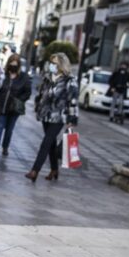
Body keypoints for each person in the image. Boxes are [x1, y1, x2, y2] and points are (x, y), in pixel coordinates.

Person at [26, 53, 79, 182]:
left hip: (59, 116)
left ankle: (35, 170)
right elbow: (41, 94)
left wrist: (72, 120)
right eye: (51, 63)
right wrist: (38, 107)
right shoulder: (48, 77)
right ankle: (54, 169)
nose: (52, 65)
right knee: (51, 143)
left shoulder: (69, 80)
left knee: (46, 142)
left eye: (54, 63)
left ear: (61, 65)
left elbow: (72, 100)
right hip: (46, 115)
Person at [0, 53, 32, 158]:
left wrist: (18, 100)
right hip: (2, 107)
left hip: (14, 109)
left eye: (15, 64)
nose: (13, 66)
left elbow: (27, 92)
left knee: (9, 129)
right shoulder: (4, 75)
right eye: (11, 63)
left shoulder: (23, 77)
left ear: (18, 65)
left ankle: (5, 147)